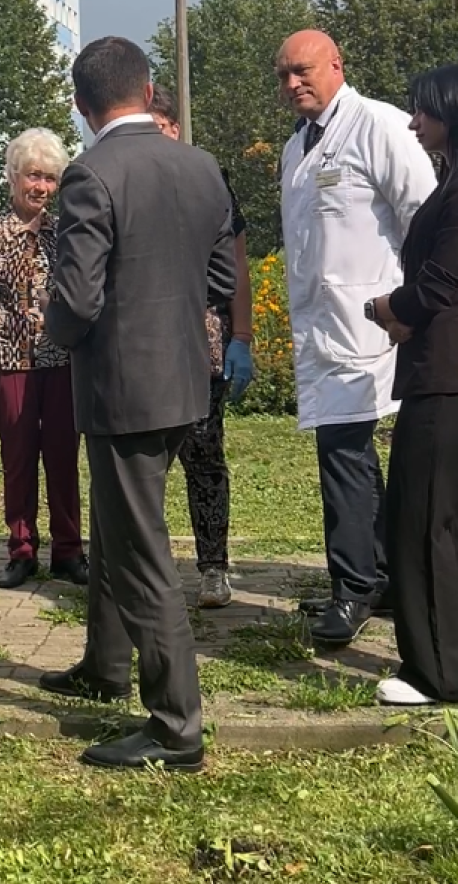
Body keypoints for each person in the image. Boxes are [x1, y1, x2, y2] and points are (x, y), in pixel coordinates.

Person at [39, 36, 236, 772]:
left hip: (123, 385)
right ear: (151, 90)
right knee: (117, 526)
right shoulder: (199, 164)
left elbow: (79, 296)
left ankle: (175, 724)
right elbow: (221, 274)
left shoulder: (91, 174)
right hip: (184, 377)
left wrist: (50, 332)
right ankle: (104, 663)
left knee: (141, 549)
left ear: (82, 106)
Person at [274, 29, 438, 647]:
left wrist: (411, 306)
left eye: (303, 70)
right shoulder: (297, 147)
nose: (292, 84)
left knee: (344, 454)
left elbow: (423, 218)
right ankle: (379, 578)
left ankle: (354, 589)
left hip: (373, 322)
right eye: (283, 75)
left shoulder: (380, 127)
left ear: (337, 64)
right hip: (322, 327)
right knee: (346, 452)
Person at [365, 64, 458, 706]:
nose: (412, 121)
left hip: (446, 369)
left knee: (422, 520)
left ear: (454, 112)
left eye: (423, 111)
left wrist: (386, 308)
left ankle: (437, 673)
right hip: (443, 365)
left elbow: (441, 287)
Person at [0, 128, 87, 590]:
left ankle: (69, 551)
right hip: (8, 362)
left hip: (60, 362)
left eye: (50, 179)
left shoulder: (66, 231)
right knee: (17, 457)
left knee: (62, 457)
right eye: (34, 176)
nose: (41, 187)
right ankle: (22, 550)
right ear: (14, 177)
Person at [147, 86, 255, 608]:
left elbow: (236, 260)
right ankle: (143, 568)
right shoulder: (130, 180)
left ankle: (213, 567)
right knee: (144, 463)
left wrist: (243, 336)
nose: (159, 137)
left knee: (205, 456)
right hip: (145, 341)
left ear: (176, 126)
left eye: (164, 126)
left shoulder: (210, 178)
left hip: (203, 338)